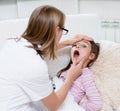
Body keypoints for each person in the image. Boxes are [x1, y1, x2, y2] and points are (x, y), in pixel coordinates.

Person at [0, 5, 93, 111]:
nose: (77, 47)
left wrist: (68, 42)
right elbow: (53, 105)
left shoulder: (15, 42)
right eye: (63, 30)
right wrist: (71, 77)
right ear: (57, 30)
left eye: (84, 46)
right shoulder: (36, 66)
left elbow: (40, 50)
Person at [57, 40, 102, 111]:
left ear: (91, 56)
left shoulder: (86, 75)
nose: (77, 46)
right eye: (75, 45)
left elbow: (96, 104)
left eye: (84, 46)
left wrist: (77, 107)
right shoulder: (65, 71)